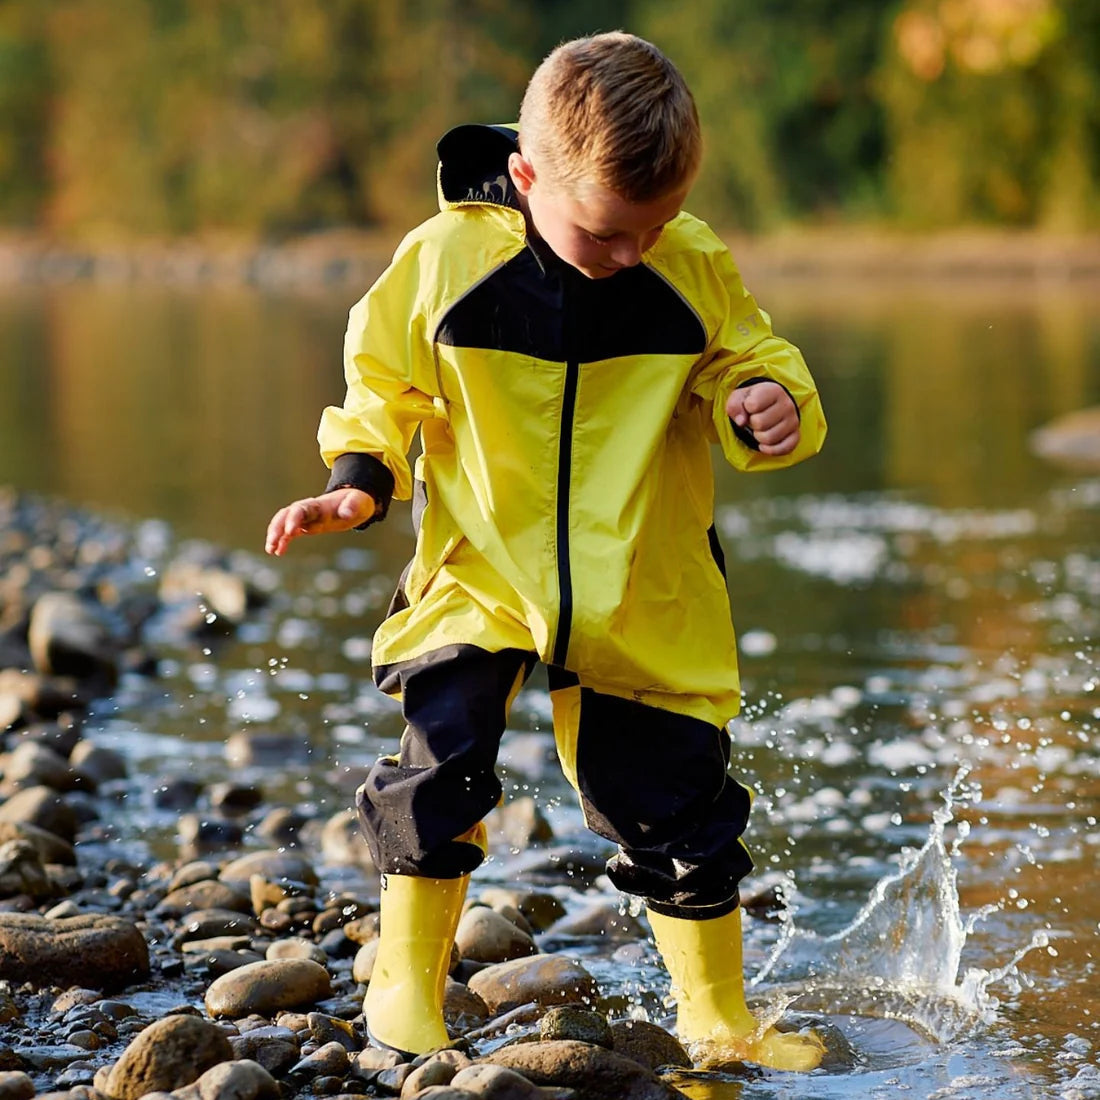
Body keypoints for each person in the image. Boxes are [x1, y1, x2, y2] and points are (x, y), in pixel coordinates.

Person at [265, 31, 827, 1072]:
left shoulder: (685, 260)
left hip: (637, 582)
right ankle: (404, 985)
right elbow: (381, 384)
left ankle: (715, 1016)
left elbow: (747, 352)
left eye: (653, 227)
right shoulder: (444, 261)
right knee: (442, 763)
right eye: (609, 233)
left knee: (673, 803)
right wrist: (356, 482)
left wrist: (766, 400)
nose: (631, 253)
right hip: (478, 570)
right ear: (525, 178)